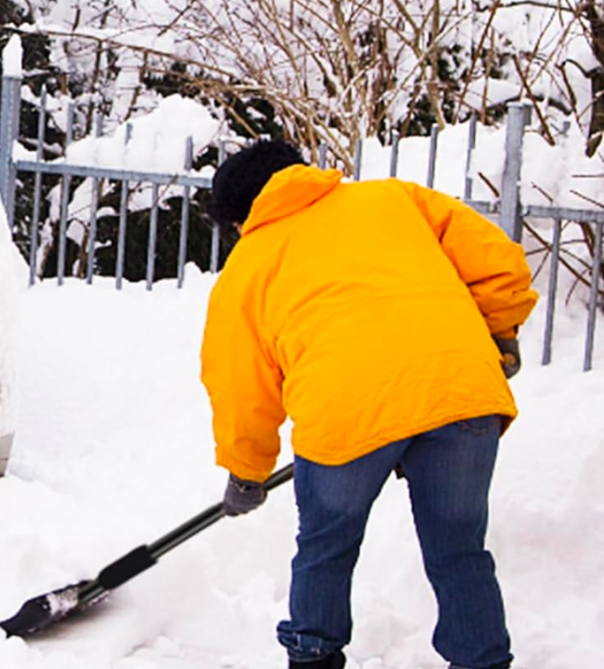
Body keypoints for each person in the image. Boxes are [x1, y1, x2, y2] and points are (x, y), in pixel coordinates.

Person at [200, 140, 536, 669]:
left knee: (326, 547)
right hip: (459, 390)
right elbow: (500, 263)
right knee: (459, 550)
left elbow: (241, 384)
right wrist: (500, 333)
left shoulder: (249, 264)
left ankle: (312, 656)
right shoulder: (395, 199)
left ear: (242, 215)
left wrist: (246, 472)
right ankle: (483, 661)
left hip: (345, 411)